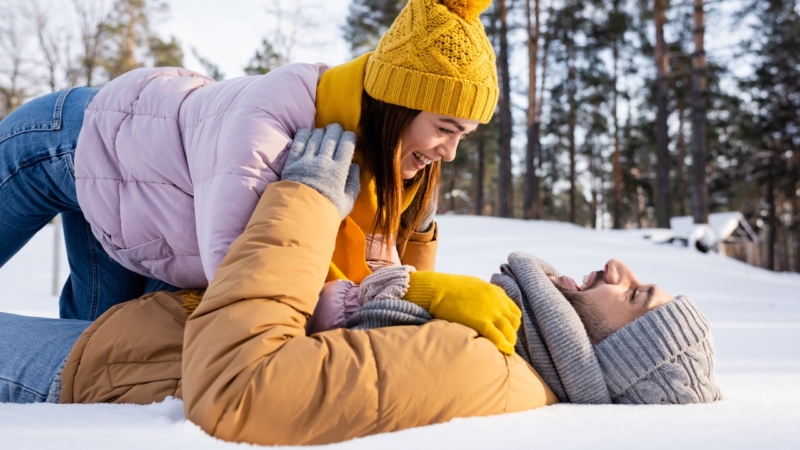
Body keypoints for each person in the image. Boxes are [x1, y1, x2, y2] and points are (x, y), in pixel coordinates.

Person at [0, 129, 721, 445]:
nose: (620, 273)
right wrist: (413, 233)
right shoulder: (506, 341)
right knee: (86, 180)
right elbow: (381, 336)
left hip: (105, 373)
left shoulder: (481, 372)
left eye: (633, 299)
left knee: (44, 143)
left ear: (606, 361)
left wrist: (307, 199)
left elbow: (239, 392)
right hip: (143, 338)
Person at [0, 0, 495, 320]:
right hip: (64, 140)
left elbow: (391, 282)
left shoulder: (385, 165)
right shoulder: (276, 122)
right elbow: (239, 275)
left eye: (464, 136)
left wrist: (420, 230)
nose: (448, 153)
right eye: (445, 129)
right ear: (394, 106)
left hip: (135, 203)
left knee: (95, 355)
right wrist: (334, 304)